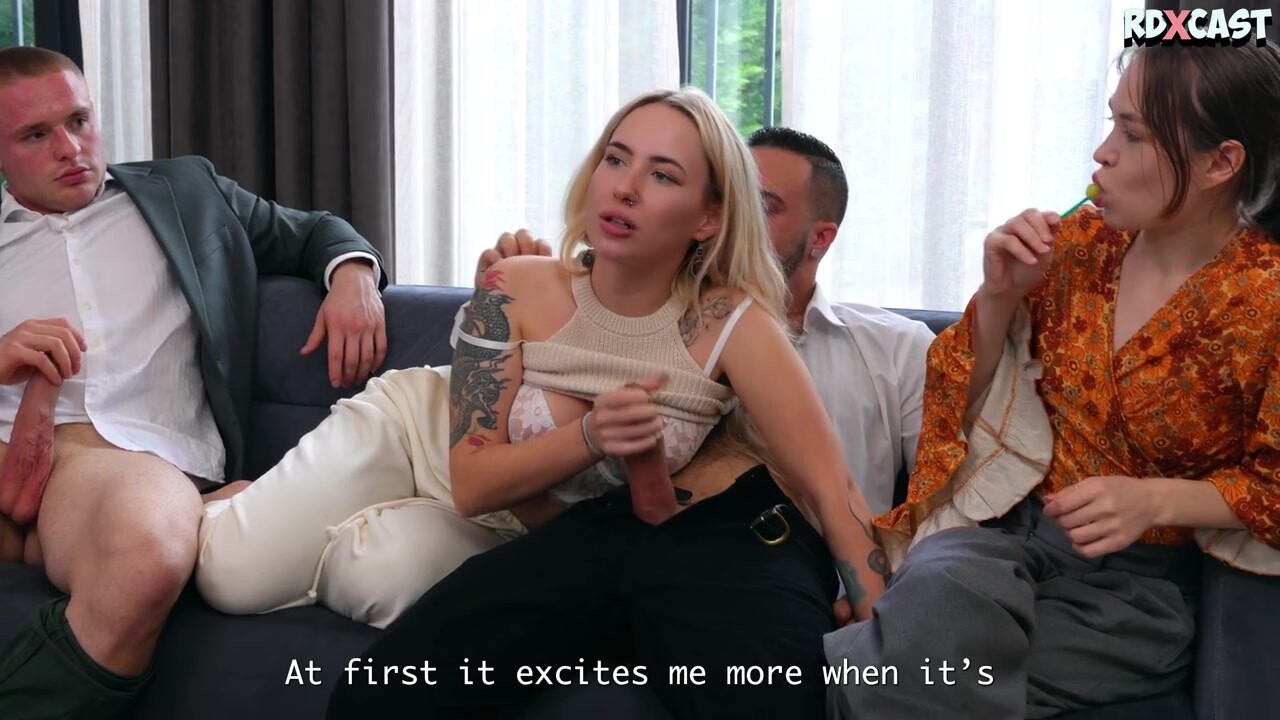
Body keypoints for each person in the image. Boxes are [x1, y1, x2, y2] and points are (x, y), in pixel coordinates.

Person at [325, 87, 887, 720]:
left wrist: (880, 616)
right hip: (598, 533)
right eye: (616, 160)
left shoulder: (733, 318)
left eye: (663, 175)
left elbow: (830, 488)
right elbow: (473, 486)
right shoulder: (509, 287)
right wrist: (592, 433)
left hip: (733, 535)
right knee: (379, 693)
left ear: (707, 219)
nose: (625, 188)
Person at [825, 44, 1280, 719]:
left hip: (1136, 592)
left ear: (1222, 162)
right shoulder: (1079, 247)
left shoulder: (1266, 299)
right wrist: (1000, 295)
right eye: (1111, 123)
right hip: (1000, 541)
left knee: (900, 675)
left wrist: (1158, 501)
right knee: (931, 624)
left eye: (1133, 134)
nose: (1102, 152)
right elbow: (953, 402)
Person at [0, 47, 387, 719]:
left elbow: (314, 232)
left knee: (146, 553)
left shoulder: (185, 193)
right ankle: (209, 517)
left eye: (79, 121)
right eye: (36, 135)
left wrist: (353, 273)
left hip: (118, 462)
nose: (70, 148)